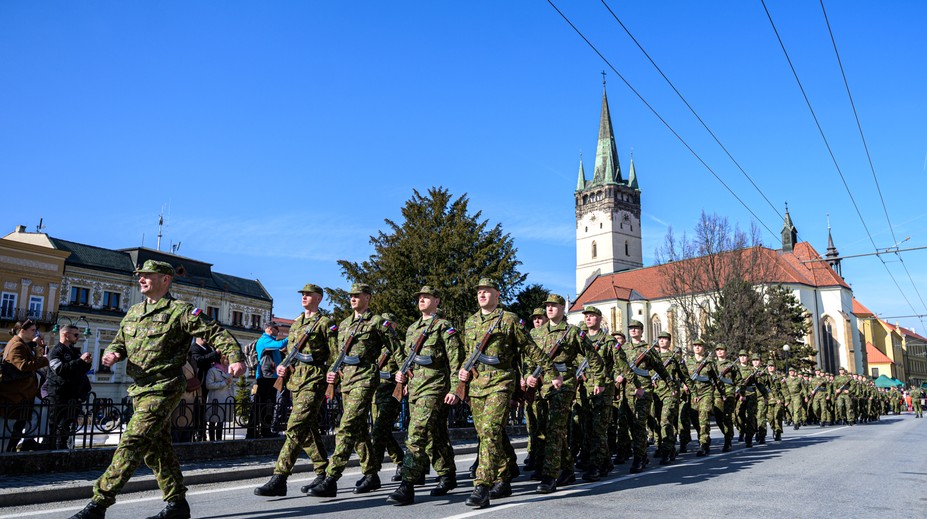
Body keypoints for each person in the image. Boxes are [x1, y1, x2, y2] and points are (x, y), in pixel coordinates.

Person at [68, 260, 244, 519]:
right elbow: (119, 342)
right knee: (156, 448)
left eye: (148, 275)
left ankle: (99, 503)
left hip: (164, 387)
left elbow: (215, 331)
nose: (141, 279)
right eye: (139, 275)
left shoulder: (180, 311)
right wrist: (114, 354)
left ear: (165, 279)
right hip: (138, 389)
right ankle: (177, 504)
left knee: (132, 441)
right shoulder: (133, 312)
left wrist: (235, 356)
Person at [310, 283, 400, 498]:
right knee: (359, 429)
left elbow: (397, 349)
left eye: (357, 295)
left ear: (368, 298)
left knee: (347, 426)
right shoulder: (344, 324)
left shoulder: (378, 322)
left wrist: (404, 374)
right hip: (347, 381)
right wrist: (333, 371)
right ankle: (371, 474)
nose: (353, 299)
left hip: (366, 379)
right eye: (351, 296)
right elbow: (337, 354)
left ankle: (331, 478)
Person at [458, 278, 540, 509]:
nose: (482, 295)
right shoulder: (471, 322)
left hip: (501, 382)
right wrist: (463, 371)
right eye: (479, 291)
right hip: (476, 385)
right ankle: (504, 477)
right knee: (487, 434)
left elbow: (530, 348)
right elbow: (469, 353)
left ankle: (482, 485)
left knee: (491, 430)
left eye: (487, 291)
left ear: (498, 294)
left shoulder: (509, 319)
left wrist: (551, 372)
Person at [254, 283, 338, 497]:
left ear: (319, 298)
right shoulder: (298, 321)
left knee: (295, 425)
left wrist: (333, 376)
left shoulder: (325, 323)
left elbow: (336, 353)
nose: (304, 297)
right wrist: (283, 366)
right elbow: (291, 350)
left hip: (315, 380)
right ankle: (323, 473)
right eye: (302, 294)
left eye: (308, 295)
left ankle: (280, 477)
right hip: (296, 380)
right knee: (307, 427)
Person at [385, 285, 465, 505]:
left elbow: (456, 359)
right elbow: (408, 359)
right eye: (420, 297)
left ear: (437, 301)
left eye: (426, 296)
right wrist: (403, 375)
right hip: (416, 389)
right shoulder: (412, 329)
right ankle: (447, 474)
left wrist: (455, 389)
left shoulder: (443, 327)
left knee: (416, 434)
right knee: (435, 434)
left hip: (435, 387)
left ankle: (407, 484)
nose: (421, 299)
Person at [530, 295, 605, 494]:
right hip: (543, 383)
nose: (550, 309)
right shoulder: (537, 333)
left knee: (555, 428)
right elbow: (530, 357)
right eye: (547, 306)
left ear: (563, 308)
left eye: (554, 306)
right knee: (549, 428)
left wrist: (599, 381)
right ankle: (568, 469)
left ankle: (550, 476)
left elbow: (594, 358)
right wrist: (528, 375)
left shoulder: (572, 333)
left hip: (564, 382)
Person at [573, 306, 619, 481]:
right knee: (586, 428)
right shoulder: (579, 340)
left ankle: (596, 466)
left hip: (602, 389)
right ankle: (605, 461)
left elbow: (620, 364)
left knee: (598, 430)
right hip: (583, 389)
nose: (588, 319)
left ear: (600, 319)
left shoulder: (608, 341)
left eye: (592, 316)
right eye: (586, 316)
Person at [616, 320, 668, 474]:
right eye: (631, 328)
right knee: (630, 424)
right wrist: (617, 379)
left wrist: (670, 384)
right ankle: (642, 453)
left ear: (642, 330)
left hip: (644, 390)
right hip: (627, 390)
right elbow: (616, 366)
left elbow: (659, 367)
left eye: (636, 328)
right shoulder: (623, 348)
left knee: (639, 423)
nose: (633, 330)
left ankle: (638, 458)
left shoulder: (648, 348)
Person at [0, 319, 48, 453]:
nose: (35, 333)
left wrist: (36, 347)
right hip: (15, 395)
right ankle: (18, 446)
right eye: (33, 330)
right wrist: (45, 360)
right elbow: (22, 366)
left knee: (20, 424)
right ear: (22, 331)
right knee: (9, 430)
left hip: (22, 395)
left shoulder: (21, 344)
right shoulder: (17, 345)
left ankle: (22, 444)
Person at [43, 324, 92, 450]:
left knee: (68, 426)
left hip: (74, 395)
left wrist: (86, 363)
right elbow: (60, 369)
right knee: (56, 426)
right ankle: (53, 452)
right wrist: (80, 361)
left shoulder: (73, 350)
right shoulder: (56, 351)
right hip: (60, 394)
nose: (78, 337)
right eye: (75, 334)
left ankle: (64, 450)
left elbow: (79, 370)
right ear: (65, 335)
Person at [685, 339, 722, 456]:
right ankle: (704, 436)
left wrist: (722, 393)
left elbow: (716, 379)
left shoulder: (709, 363)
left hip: (706, 392)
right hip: (693, 393)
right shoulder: (688, 362)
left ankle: (703, 444)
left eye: (699, 346)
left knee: (704, 416)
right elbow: (684, 377)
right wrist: (684, 385)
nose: (697, 348)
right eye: (695, 345)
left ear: (703, 348)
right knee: (694, 418)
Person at [524, 307, 548, 475]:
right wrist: (526, 376)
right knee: (532, 424)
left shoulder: (551, 336)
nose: (537, 321)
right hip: (533, 385)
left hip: (549, 385)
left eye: (540, 318)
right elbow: (526, 360)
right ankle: (534, 455)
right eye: (535, 318)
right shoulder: (531, 335)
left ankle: (544, 461)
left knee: (545, 426)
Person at [253, 321, 287, 438]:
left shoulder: (269, 340)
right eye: (277, 328)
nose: (278, 331)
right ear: (270, 329)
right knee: (264, 404)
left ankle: (265, 429)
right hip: (265, 377)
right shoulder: (265, 340)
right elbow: (280, 345)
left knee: (269, 404)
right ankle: (260, 430)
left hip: (270, 376)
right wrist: (291, 337)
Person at [189, 338, 220, 441]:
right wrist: (214, 354)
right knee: (198, 406)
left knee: (204, 407)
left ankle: (202, 432)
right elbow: (198, 360)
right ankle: (198, 432)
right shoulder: (194, 348)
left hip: (208, 380)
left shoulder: (208, 348)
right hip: (200, 380)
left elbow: (215, 359)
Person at [712, 343, 740, 452]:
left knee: (727, 417)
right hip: (716, 393)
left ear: (725, 351)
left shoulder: (731, 365)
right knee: (718, 417)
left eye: (722, 349)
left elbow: (739, 380)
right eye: (717, 350)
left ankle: (728, 441)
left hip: (729, 393)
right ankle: (727, 433)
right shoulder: (712, 364)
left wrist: (737, 391)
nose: (719, 351)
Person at [204, 354, 236, 441]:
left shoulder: (229, 371)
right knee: (213, 421)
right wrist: (224, 383)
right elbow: (208, 385)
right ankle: (211, 440)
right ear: (221, 359)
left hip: (225, 398)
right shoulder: (212, 370)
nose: (228, 361)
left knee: (221, 422)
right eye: (226, 359)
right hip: (215, 399)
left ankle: (219, 439)